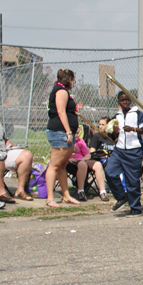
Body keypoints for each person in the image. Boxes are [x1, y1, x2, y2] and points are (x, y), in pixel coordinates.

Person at [105, 90, 143, 216]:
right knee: (110, 172)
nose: (125, 102)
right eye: (122, 100)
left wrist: (133, 129)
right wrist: (114, 132)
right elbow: (112, 134)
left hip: (134, 150)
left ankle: (135, 208)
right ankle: (122, 196)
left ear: (130, 101)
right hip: (119, 149)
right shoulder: (117, 116)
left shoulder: (138, 114)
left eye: (127, 100)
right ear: (118, 102)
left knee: (132, 181)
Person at [0, 99, 34, 202]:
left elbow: (5, 140)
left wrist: (13, 147)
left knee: (26, 155)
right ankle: (1, 191)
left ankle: (20, 190)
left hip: (3, 151)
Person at [45, 69, 82, 208]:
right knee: (54, 165)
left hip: (65, 132)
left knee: (62, 165)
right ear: (69, 79)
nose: (74, 83)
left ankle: (66, 195)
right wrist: (68, 131)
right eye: (73, 80)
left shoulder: (62, 91)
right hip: (59, 132)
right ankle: (50, 198)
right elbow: (60, 111)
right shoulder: (61, 91)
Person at [66, 129, 107, 201]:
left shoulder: (80, 141)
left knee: (98, 164)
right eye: (75, 133)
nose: (77, 135)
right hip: (70, 163)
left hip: (82, 160)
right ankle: (81, 191)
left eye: (78, 133)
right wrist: (67, 159)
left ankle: (102, 192)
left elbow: (88, 155)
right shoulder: (65, 142)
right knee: (82, 164)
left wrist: (83, 159)